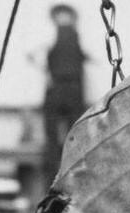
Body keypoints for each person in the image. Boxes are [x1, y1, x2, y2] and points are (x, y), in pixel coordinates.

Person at [38, 5, 89, 188]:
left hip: (74, 91)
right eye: (60, 16)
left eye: (66, 16)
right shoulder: (48, 36)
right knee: (52, 143)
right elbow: (37, 56)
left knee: (75, 139)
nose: (63, 20)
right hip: (56, 90)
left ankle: (72, 187)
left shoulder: (79, 36)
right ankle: (50, 188)